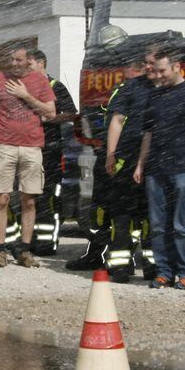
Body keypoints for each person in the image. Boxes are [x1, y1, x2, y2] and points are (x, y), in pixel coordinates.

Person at [133, 46, 185, 290]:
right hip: (156, 169)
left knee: (183, 223)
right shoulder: (154, 97)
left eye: (162, 71)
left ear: (177, 66)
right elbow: (147, 134)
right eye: (155, 71)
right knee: (158, 225)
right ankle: (163, 272)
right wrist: (141, 164)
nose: (158, 76)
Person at [0, 46, 56, 268]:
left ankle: (25, 250)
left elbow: (51, 113)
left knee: (29, 200)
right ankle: (1, 250)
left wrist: (26, 95)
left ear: (29, 60)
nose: (13, 64)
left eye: (18, 60)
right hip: (3, 145)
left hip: (32, 146)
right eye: (11, 60)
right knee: (1, 198)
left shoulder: (40, 81)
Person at [65, 59, 146, 271]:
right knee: (123, 213)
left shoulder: (128, 90)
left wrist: (108, 151)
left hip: (119, 158)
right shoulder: (141, 90)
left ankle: (105, 256)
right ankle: (113, 257)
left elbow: (115, 122)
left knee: (109, 211)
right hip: (128, 157)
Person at [102, 46, 160, 282]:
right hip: (127, 158)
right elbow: (117, 120)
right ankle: (120, 267)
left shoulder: (171, 90)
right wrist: (111, 154)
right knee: (122, 214)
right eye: (145, 62)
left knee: (153, 215)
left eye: (152, 63)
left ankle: (154, 267)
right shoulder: (131, 88)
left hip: (158, 160)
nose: (147, 67)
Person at [27, 50, 77, 256]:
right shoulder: (24, 88)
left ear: (41, 64)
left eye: (29, 65)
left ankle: (47, 243)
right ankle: (27, 241)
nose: (26, 70)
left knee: (48, 197)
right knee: (28, 197)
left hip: (50, 150)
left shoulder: (56, 87)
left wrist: (51, 118)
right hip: (28, 150)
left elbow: (72, 114)